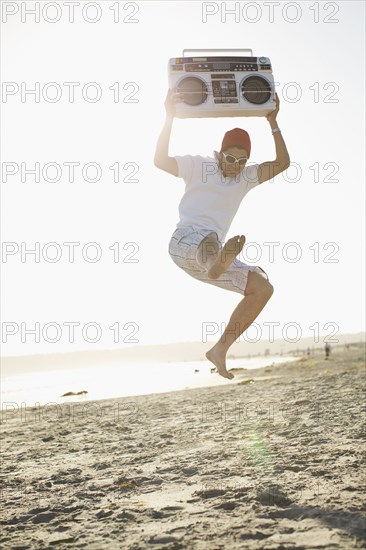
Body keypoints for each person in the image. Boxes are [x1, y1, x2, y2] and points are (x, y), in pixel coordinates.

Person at [154, 89, 290, 380]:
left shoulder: (244, 178)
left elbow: (282, 164)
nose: (235, 166)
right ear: (220, 152)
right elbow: (160, 160)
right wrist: (168, 118)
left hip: (213, 262)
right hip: (185, 243)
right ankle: (217, 261)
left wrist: (273, 122)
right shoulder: (198, 165)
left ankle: (219, 350)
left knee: (263, 289)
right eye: (230, 158)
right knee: (212, 243)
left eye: (242, 161)